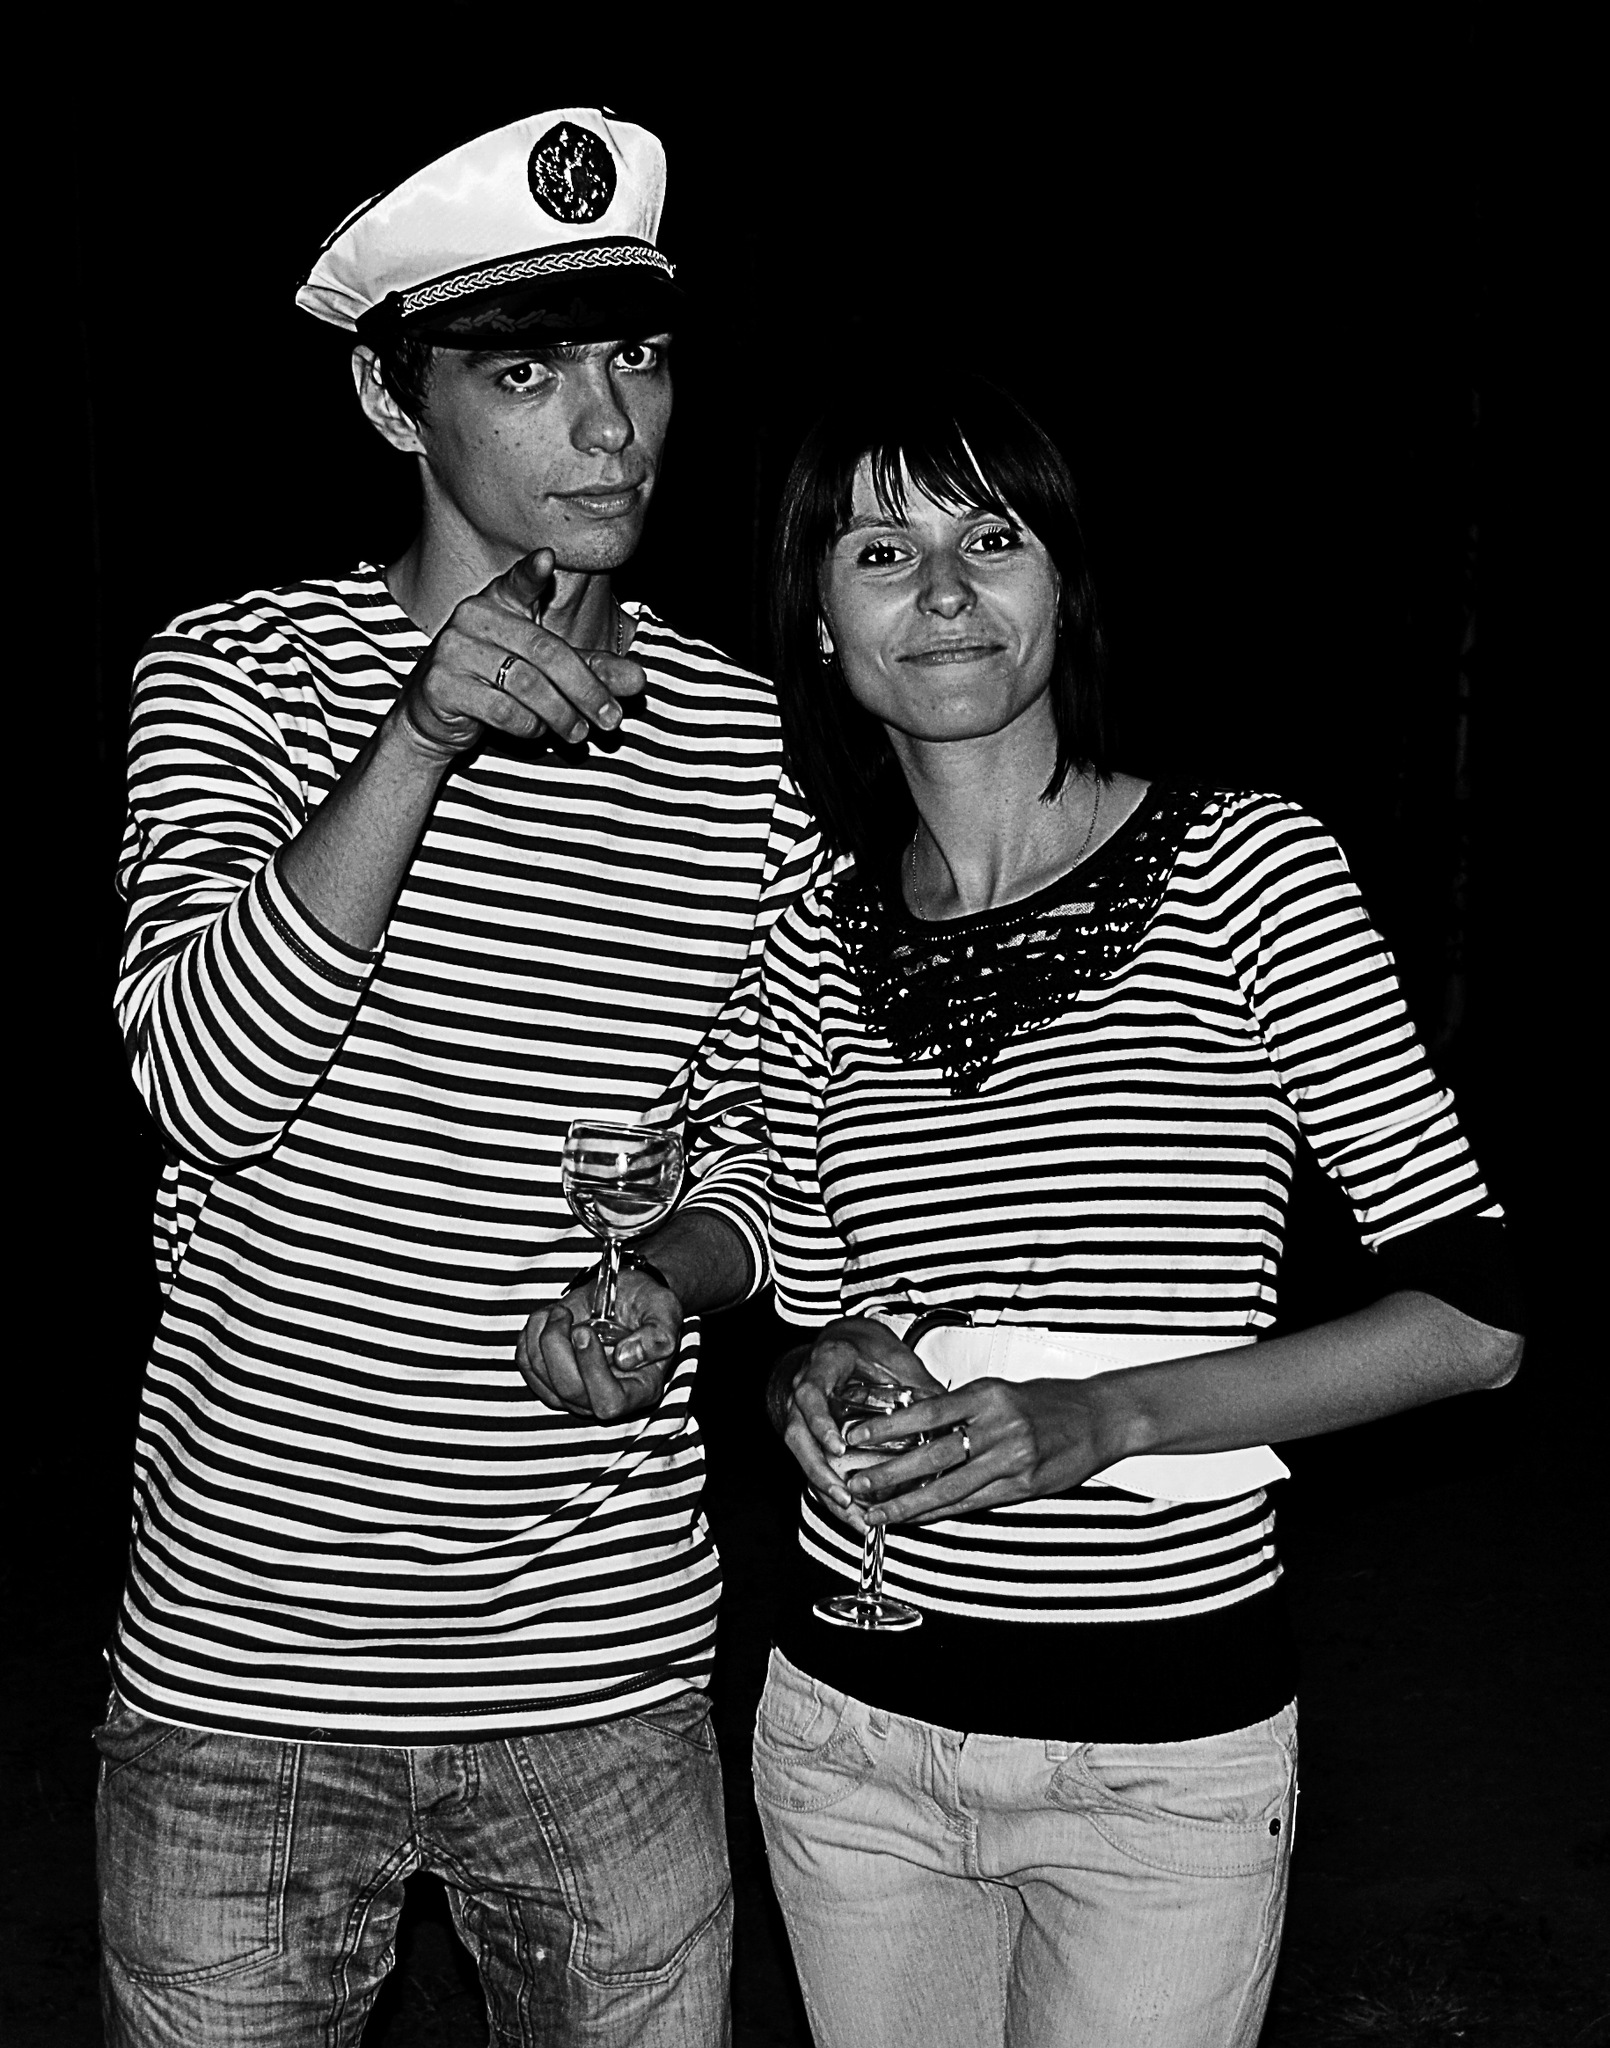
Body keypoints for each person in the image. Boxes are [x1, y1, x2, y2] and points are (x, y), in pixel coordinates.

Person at [101, 108, 810, 2047]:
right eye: (525, 374)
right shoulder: (237, 676)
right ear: (388, 401)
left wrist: (666, 1278)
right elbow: (201, 1088)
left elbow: (770, 1152)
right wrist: (417, 738)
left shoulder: (744, 739)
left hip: (601, 1678)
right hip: (246, 1680)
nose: (612, 427)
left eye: (638, 356)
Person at [749, 374, 1525, 2048]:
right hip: (848, 1738)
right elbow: (823, 1316)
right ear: (819, 621)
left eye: (990, 539)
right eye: (880, 551)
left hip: (1154, 1759)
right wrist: (810, 1375)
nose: (941, 592)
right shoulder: (807, 933)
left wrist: (1105, 1415)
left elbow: (1470, 1324)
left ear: (1063, 585)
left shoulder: (1245, 869)